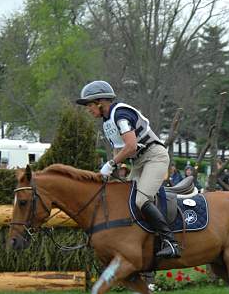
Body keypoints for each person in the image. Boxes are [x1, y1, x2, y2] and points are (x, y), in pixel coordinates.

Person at [76, 80, 180, 259]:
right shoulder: (107, 121)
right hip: (139, 163)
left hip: (155, 157)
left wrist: (110, 164)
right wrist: (111, 173)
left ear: (101, 102)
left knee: (140, 200)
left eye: (90, 105)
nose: (88, 109)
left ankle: (170, 241)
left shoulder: (121, 115)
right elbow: (120, 149)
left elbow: (130, 147)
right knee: (124, 199)